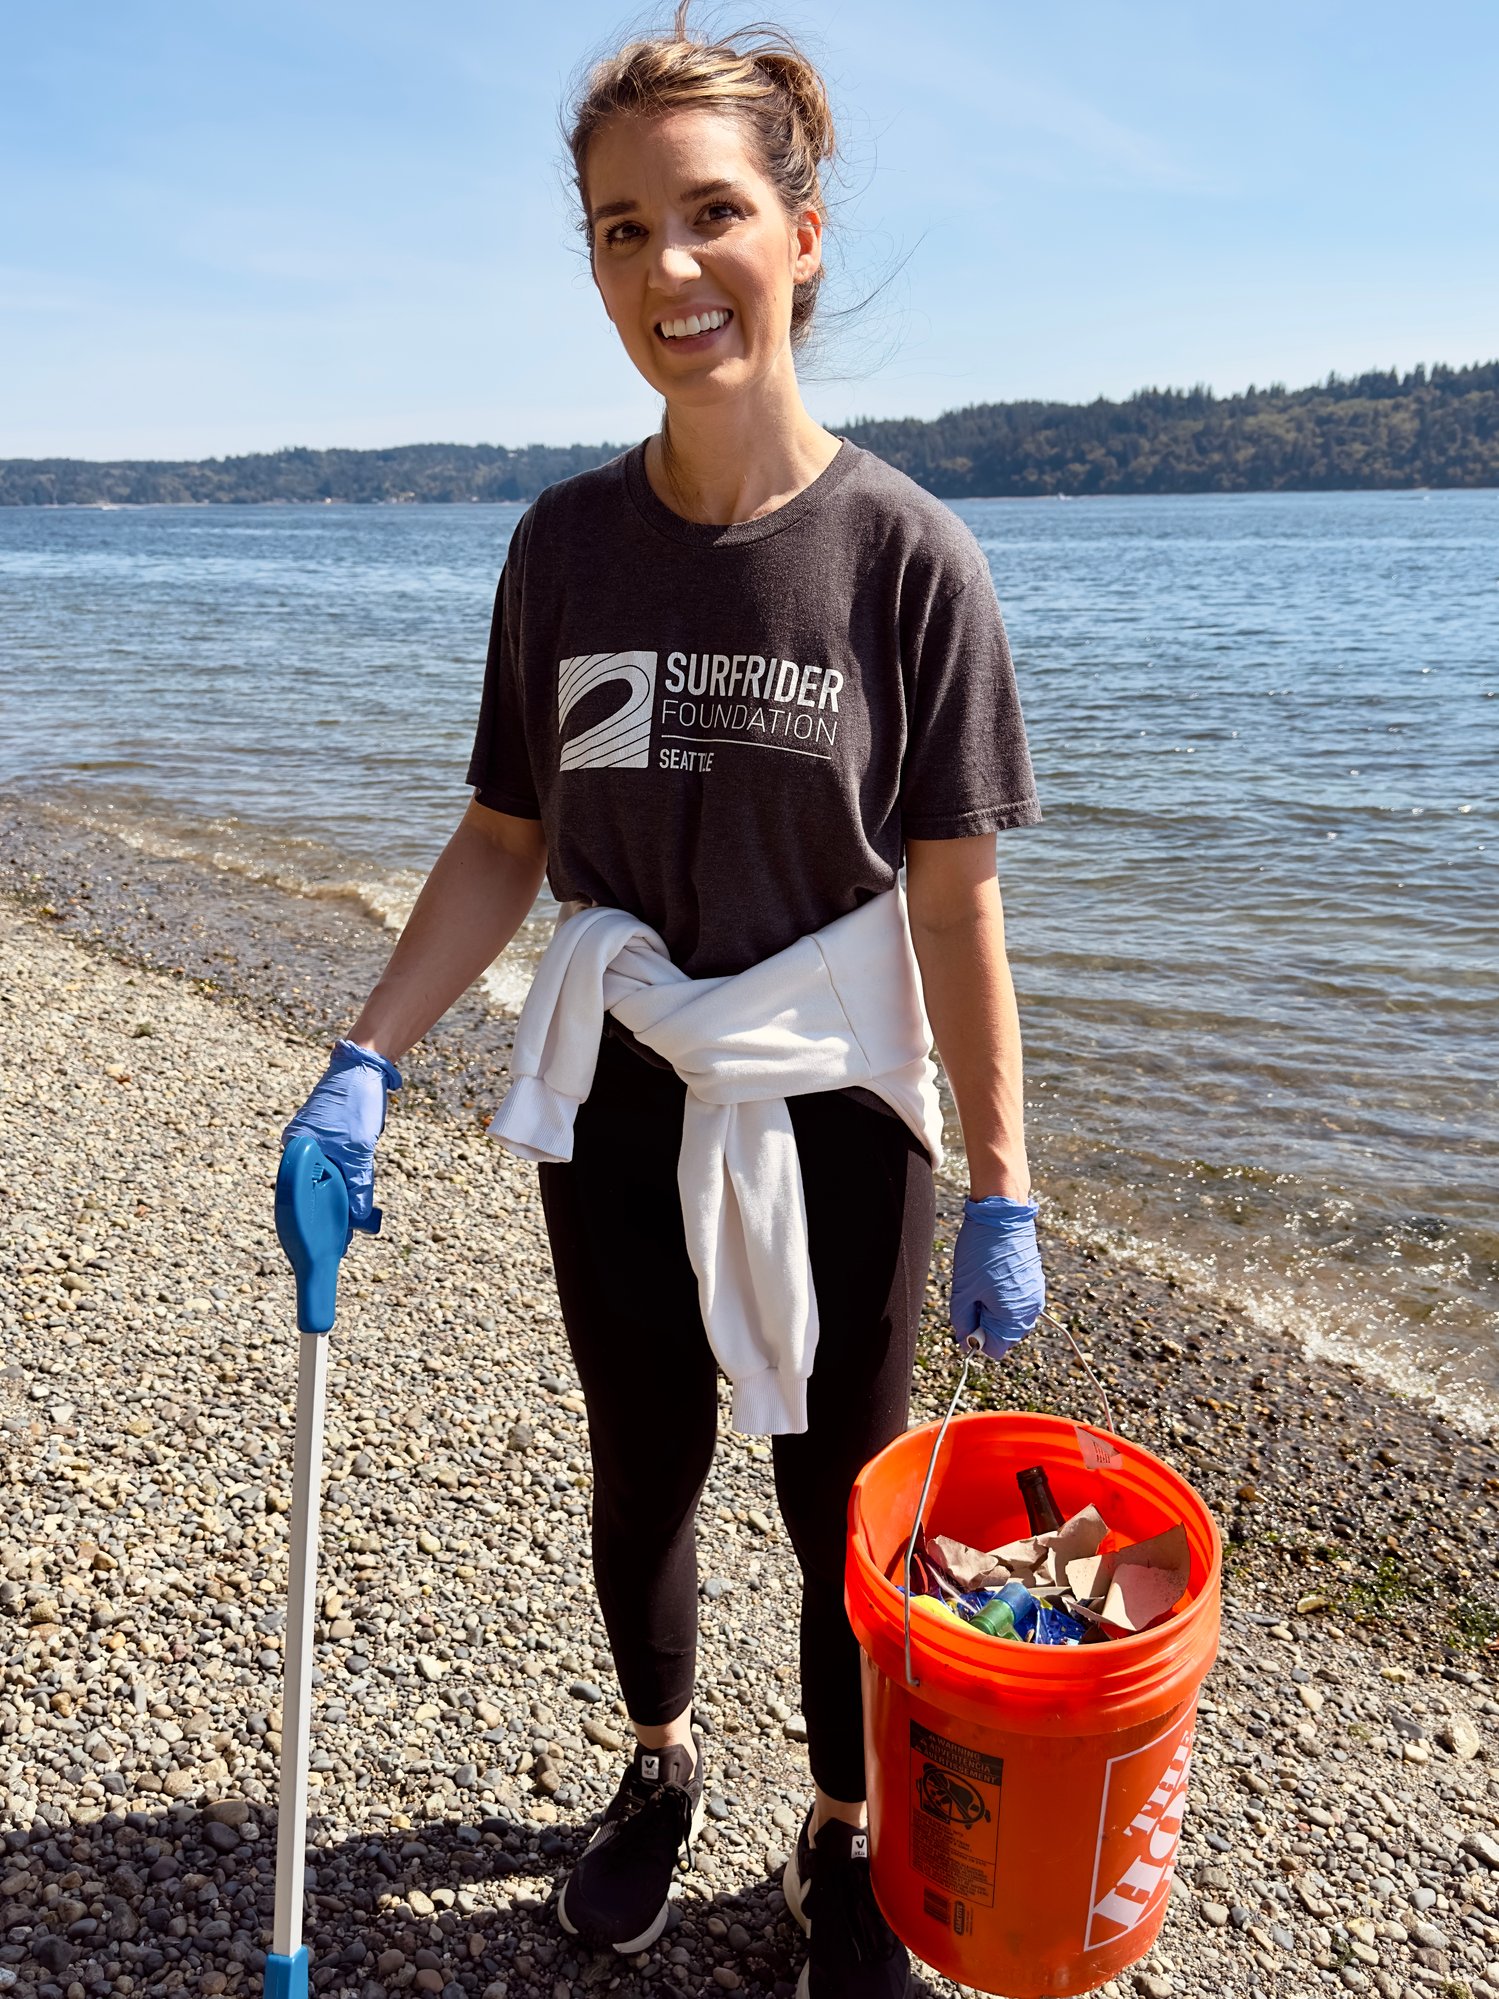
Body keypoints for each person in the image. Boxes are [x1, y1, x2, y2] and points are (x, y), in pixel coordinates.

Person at [282, 9, 1044, 1994]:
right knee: (647, 1460)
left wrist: (1004, 1179)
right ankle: (656, 1763)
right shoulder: (565, 546)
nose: (667, 267)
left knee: (844, 1501)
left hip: (841, 1093)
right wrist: (364, 1055)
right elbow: (500, 839)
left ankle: (846, 1828)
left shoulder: (910, 562)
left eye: (711, 213)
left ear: (800, 234)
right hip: (620, 1080)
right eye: (623, 229)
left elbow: (956, 908)